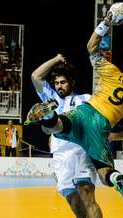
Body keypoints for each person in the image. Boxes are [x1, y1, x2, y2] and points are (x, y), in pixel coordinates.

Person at [26, 11, 123, 208]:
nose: (59, 86)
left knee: (59, 124)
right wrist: (112, 137)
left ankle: (49, 115)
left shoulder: (111, 72)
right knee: (104, 170)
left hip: (87, 112)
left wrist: (107, 21)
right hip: (102, 127)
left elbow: (91, 47)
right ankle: (116, 177)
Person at [31, 54, 102, 217]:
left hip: (81, 151)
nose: (59, 86)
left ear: (72, 82)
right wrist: (56, 59)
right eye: (56, 83)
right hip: (60, 156)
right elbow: (35, 76)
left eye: (62, 82)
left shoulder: (86, 99)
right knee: (75, 205)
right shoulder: (51, 99)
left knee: (86, 195)